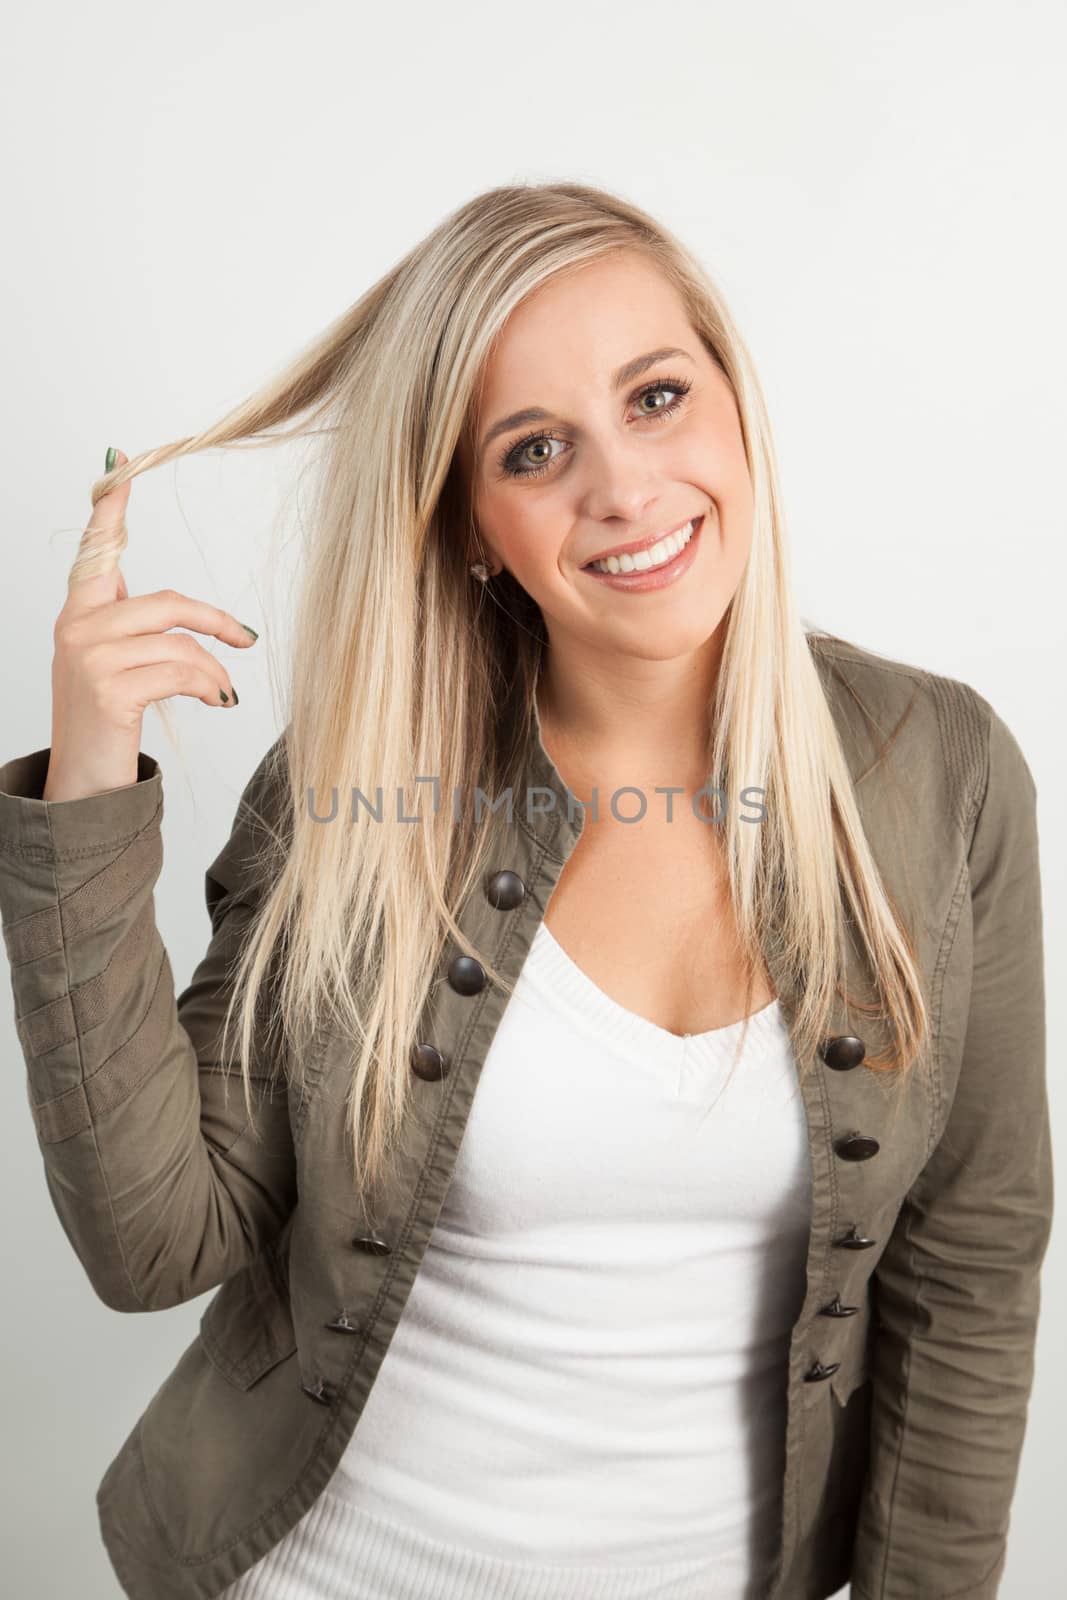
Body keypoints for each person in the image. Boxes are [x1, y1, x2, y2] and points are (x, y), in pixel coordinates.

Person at [0, 182, 1050, 1600]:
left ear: (736, 403)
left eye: (659, 397)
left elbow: (970, 1262)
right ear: (476, 525)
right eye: (537, 447)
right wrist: (87, 790)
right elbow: (153, 1243)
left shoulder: (942, 773)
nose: (621, 488)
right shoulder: (359, 787)